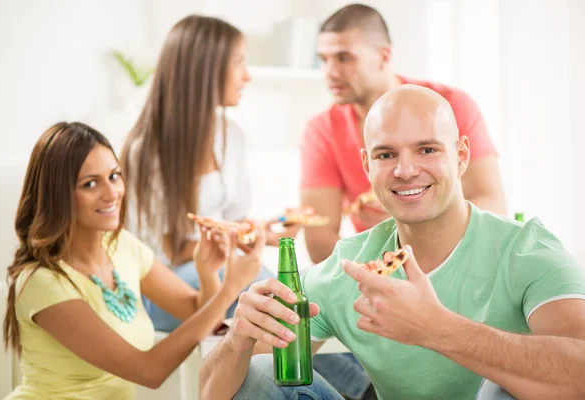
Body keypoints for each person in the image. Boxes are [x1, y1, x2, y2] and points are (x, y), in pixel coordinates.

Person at [198, 85, 585, 400]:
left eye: (427, 149)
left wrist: (440, 330)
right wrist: (238, 339)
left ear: (461, 156)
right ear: (367, 166)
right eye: (386, 155)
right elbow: (217, 394)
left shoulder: (525, 249)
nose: (405, 170)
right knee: (263, 370)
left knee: (503, 388)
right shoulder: (349, 265)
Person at [3, 122, 265, 399]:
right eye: (90, 183)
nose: (111, 192)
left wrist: (208, 272)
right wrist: (230, 289)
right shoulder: (42, 281)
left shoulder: (122, 246)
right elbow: (150, 371)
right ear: (58, 193)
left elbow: (197, 313)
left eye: (114, 176)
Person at [120, 15, 299, 332]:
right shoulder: (146, 151)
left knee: (283, 288)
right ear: (206, 69)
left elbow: (233, 224)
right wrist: (234, 243)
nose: (247, 75)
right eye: (239, 62)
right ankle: (357, 383)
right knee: (267, 288)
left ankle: (351, 378)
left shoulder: (231, 136)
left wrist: (264, 234)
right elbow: (166, 252)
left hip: (216, 271)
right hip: (163, 289)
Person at [301, 3, 507, 265]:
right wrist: (382, 271)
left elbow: (492, 203)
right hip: (378, 268)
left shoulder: (451, 105)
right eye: (324, 59)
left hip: (460, 259)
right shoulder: (321, 130)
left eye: (344, 58)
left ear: (384, 57)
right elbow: (319, 239)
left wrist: (409, 215)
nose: (330, 72)